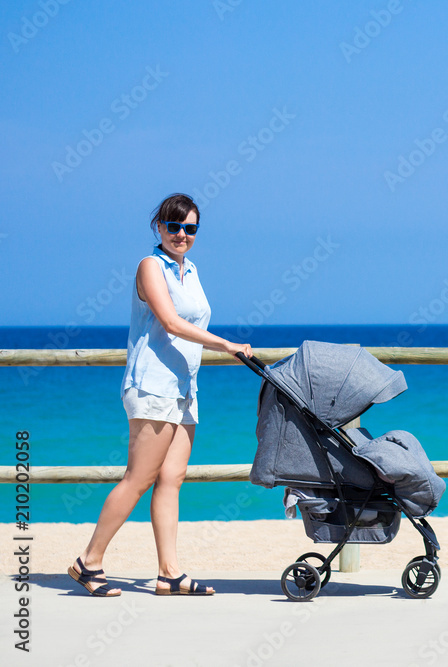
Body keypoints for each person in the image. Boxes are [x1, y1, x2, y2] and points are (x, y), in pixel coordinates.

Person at [68, 193, 252, 596]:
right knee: (140, 478)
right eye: (174, 226)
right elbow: (169, 322)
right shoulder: (150, 266)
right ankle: (89, 561)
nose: (181, 234)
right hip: (152, 385)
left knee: (172, 478)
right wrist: (226, 345)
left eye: (190, 228)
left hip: (185, 387)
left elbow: (189, 322)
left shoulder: (192, 270)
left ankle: (169, 573)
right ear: (159, 227)